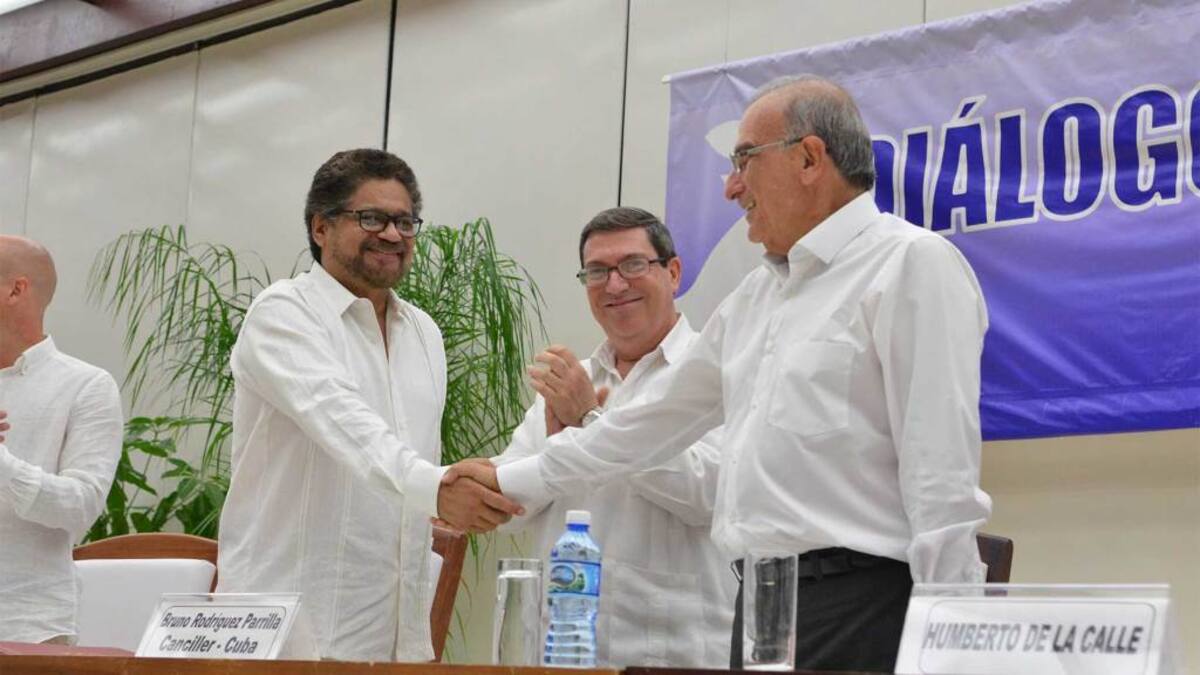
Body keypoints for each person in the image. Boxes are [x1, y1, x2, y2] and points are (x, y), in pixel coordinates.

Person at [454, 74, 993, 672]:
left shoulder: (911, 264)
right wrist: (505, 479)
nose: (731, 187)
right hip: (759, 606)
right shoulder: (756, 297)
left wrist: (955, 649)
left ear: (809, 158)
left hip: (863, 607)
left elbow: (941, 482)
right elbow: (640, 429)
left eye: (744, 160)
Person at [216, 148, 521, 662]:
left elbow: (413, 461)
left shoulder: (424, 332)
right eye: (372, 218)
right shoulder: (284, 313)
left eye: (405, 221)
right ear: (321, 227)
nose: (393, 235)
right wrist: (438, 488)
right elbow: (346, 425)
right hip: (288, 638)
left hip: (395, 640)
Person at [490, 207, 734, 667]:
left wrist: (589, 420)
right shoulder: (572, 380)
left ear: (674, 272)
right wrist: (455, 486)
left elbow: (709, 492)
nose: (615, 285)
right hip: (561, 649)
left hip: (678, 652)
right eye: (598, 271)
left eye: (633, 265)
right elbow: (510, 504)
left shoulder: (714, 369)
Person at [0, 236, 124, 645]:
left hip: (24, 628)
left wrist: (2, 465)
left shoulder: (86, 386)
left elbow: (81, 506)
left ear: (15, 290)